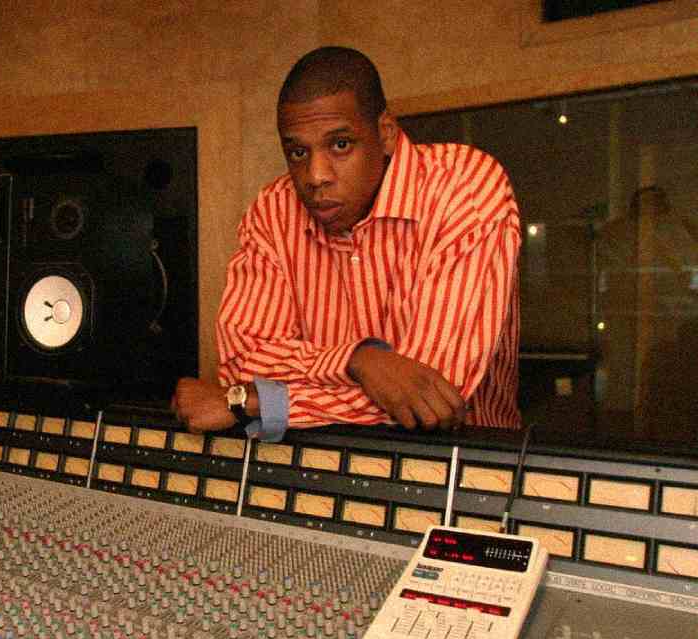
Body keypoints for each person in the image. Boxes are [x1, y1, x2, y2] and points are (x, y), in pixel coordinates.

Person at [171, 46, 521, 440]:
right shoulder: (272, 209)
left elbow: (428, 400)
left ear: (385, 133)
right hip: (313, 465)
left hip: (461, 471)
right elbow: (244, 361)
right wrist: (359, 360)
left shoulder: (465, 189)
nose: (315, 175)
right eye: (298, 152)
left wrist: (252, 403)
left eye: (340, 145)